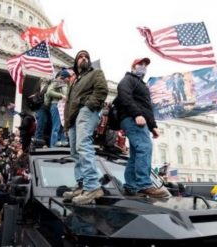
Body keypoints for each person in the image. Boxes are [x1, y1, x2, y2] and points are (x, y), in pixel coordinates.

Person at [117, 57, 168, 198]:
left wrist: (153, 126)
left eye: (145, 65)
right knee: (144, 147)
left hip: (140, 120)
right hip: (132, 119)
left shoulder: (142, 85)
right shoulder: (129, 79)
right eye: (140, 64)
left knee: (135, 154)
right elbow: (123, 94)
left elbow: (146, 107)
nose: (143, 66)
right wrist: (136, 114)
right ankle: (144, 184)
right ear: (133, 66)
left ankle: (131, 186)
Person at [63, 50, 108, 205]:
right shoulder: (74, 82)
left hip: (86, 112)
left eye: (86, 57)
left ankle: (92, 186)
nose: (83, 58)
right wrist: (66, 124)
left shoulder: (95, 73)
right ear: (76, 62)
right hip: (73, 118)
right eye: (80, 57)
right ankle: (82, 185)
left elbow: (102, 91)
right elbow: (68, 104)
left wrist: (88, 106)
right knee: (75, 152)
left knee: (83, 145)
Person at [46, 69, 70, 147]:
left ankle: (62, 143)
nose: (69, 79)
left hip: (63, 106)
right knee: (56, 126)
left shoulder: (66, 85)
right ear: (65, 77)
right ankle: (53, 145)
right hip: (56, 105)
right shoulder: (56, 82)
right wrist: (61, 95)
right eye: (68, 77)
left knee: (62, 126)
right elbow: (49, 92)